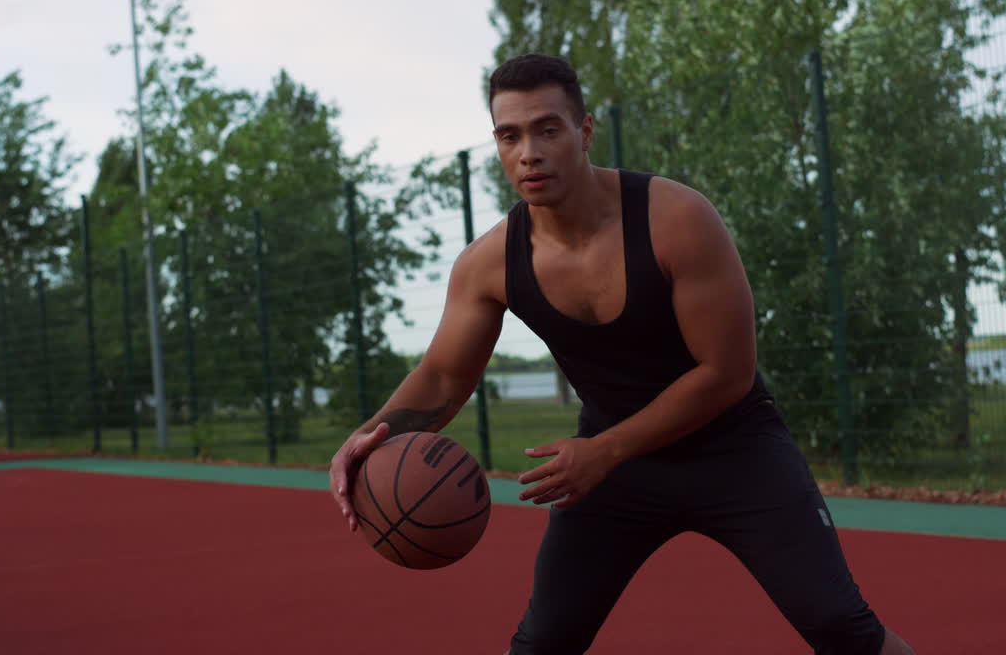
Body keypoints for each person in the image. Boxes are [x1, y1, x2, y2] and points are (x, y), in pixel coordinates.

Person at [329, 53, 916, 655]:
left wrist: (604, 451)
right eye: (510, 135)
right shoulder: (488, 264)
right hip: (614, 468)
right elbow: (445, 378)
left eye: (548, 129)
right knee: (543, 643)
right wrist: (371, 436)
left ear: (583, 132)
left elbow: (727, 374)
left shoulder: (677, 220)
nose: (529, 151)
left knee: (840, 628)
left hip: (733, 449)